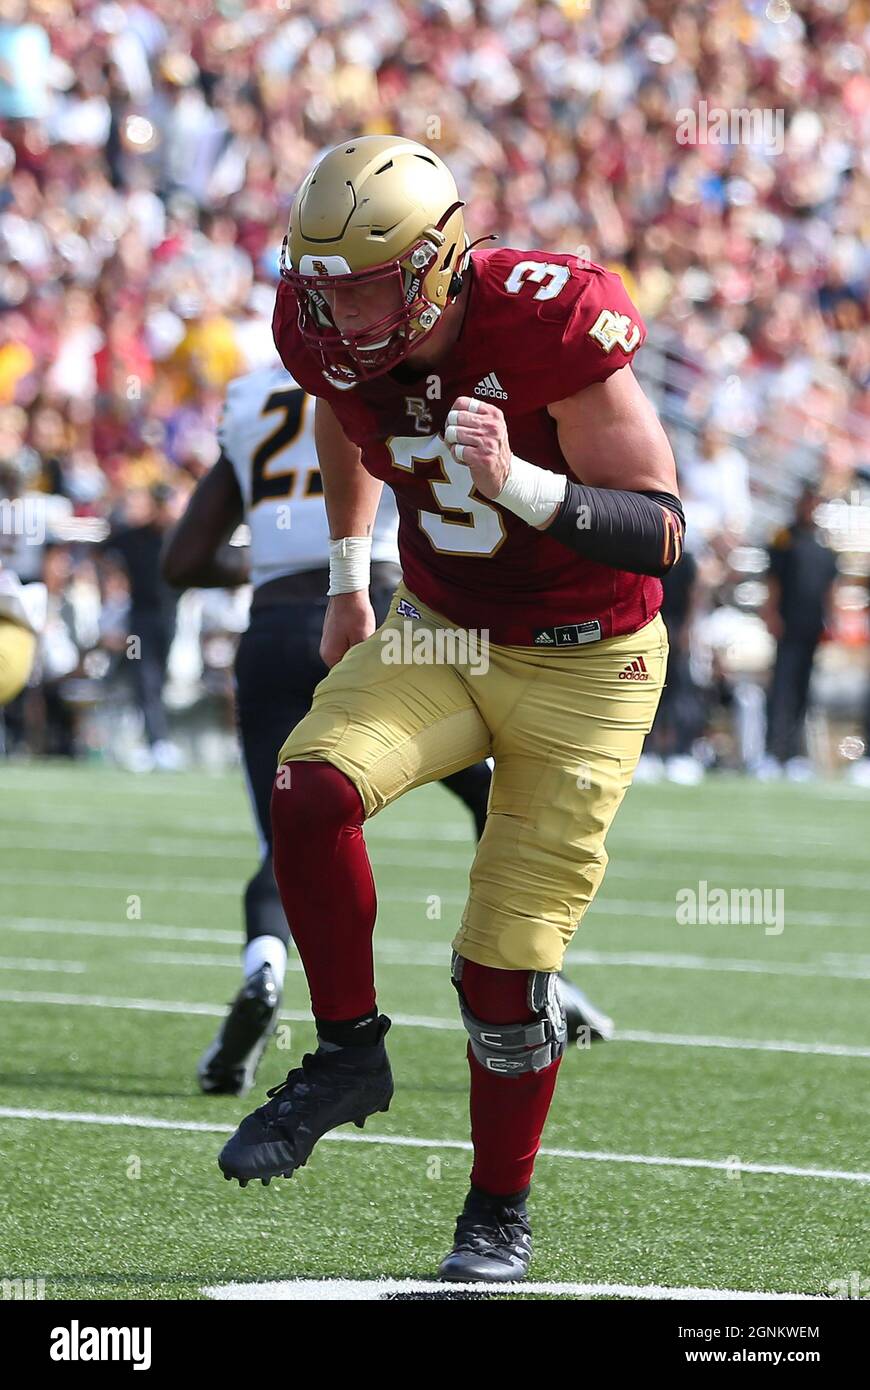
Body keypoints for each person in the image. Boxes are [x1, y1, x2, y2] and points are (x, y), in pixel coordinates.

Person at [219, 136, 683, 1282]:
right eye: (320, 286)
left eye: (363, 284)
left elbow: (665, 529)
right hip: (442, 626)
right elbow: (340, 407)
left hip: (589, 660)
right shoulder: (323, 331)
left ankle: (495, 1214)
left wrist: (519, 482)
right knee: (310, 783)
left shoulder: (545, 315)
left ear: (434, 263)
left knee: (503, 973)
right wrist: (345, 575)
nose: (336, 312)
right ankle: (346, 1055)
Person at [162, 362, 614, 1095]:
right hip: (395, 617)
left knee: (290, 830)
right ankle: (534, 972)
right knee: (504, 791)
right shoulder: (396, 372)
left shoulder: (249, 396)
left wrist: (276, 562)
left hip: (277, 626)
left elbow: (181, 559)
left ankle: (264, 968)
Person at [759, 482, 838, 780]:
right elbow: (773, 580)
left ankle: (793, 753)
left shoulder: (824, 543)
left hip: (812, 626)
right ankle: (772, 751)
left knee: (804, 690)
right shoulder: (784, 539)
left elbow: (830, 587)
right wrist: (771, 613)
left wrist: (831, 622)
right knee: (780, 688)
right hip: (787, 623)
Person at [102, 483, 183, 771]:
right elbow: (103, 549)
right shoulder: (133, 537)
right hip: (139, 621)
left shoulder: (177, 537)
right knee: (143, 678)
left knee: (158, 679)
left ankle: (155, 741)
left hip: (170, 618)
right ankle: (155, 743)